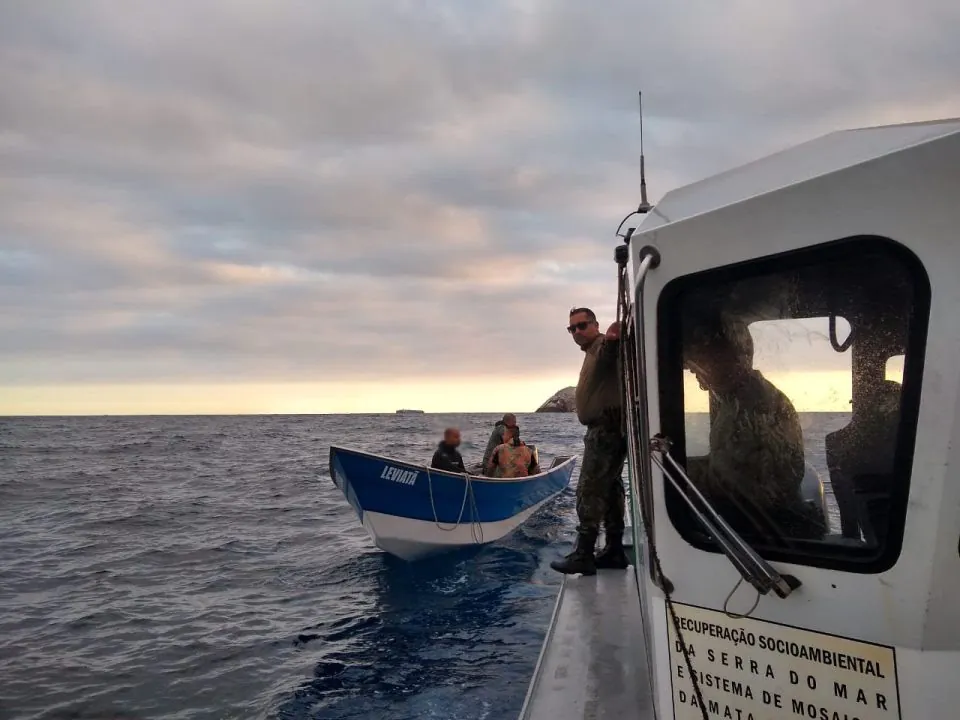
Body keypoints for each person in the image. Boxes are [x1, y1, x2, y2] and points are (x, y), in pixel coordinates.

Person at [683, 316, 822, 539]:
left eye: (699, 360)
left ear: (727, 358)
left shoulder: (751, 407)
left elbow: (736, 488)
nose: (693, 370)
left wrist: (678, 477)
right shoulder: (738, 400)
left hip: (762, 536)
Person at [550, 307, 629, 575]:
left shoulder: (599, 347)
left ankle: (584, 553)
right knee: (611, 488)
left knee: (590, 488)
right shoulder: (591, 351)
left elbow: (611, 350)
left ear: (595, 325)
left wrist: (614, 336)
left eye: (582, 325)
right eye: (571, 328)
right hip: (611, 428)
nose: (576, 332)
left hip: (605, 429)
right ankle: (615, 550)